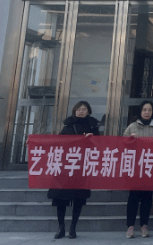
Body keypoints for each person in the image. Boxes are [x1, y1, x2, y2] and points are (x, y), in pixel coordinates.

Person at [48, 101, 99, 239]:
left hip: (81, 168)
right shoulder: (67, 126)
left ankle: (73, 228)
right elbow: (56, 143)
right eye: (79, 109)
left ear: (88, 111)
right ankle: (61, 227)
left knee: (78, 199)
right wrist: (35, 142)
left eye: (84, 109)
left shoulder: (93, 127)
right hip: (65, 167)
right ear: (74, 111)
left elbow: (100, 146)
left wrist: (91, 139)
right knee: (60, 199)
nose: (81, 111)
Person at [123, 100, 153, 239]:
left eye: (149, 110)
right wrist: (130, 139)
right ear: (140, 111)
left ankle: (144, 225)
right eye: (144, 110)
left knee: (147, 198)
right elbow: (122, 143)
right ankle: (130, 226)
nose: (147, 112)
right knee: (133, 198)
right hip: (135, 167)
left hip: (150, 167)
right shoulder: (132, 126)